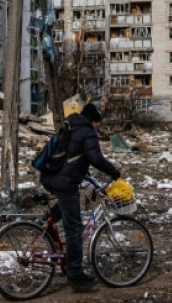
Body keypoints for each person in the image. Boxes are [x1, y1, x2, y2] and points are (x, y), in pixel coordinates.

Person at [39, 101, 121, 284]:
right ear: (92, 120)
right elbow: (95, 158)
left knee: (66, 204)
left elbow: (74, 156)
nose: (97, 125)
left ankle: (48, 223)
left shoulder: (71, 127)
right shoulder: (87, 132)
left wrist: (85, 173)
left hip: (49, 176)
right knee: (74, 227)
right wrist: (113, 171)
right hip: (64, 181)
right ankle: (75, 271)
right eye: (97, 122)